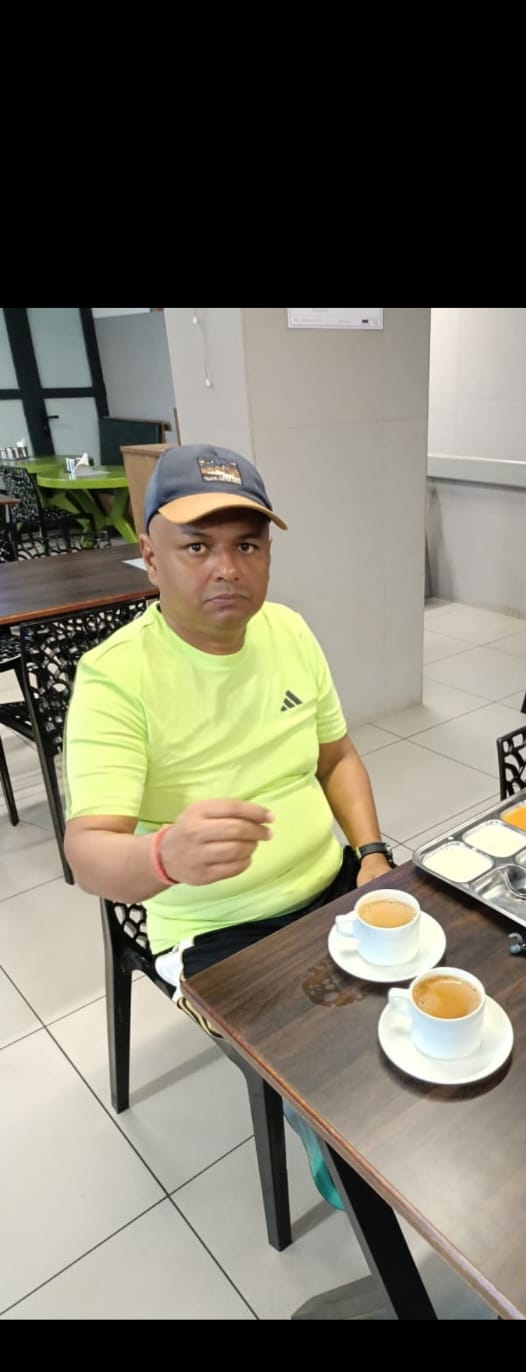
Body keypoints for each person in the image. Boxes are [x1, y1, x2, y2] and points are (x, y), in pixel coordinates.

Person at [63, 443, 396, 1207]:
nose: (227, 568)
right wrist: (164, 855)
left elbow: (338, 758)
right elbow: (87, 855)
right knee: (331, 1071)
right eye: (197, 547)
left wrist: (372, 853)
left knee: (436, 995)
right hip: (214, 931)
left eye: (247, 545)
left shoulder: (290, 633)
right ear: (151, 557)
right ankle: (335, 1149)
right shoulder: (116, 677)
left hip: (335, 884)